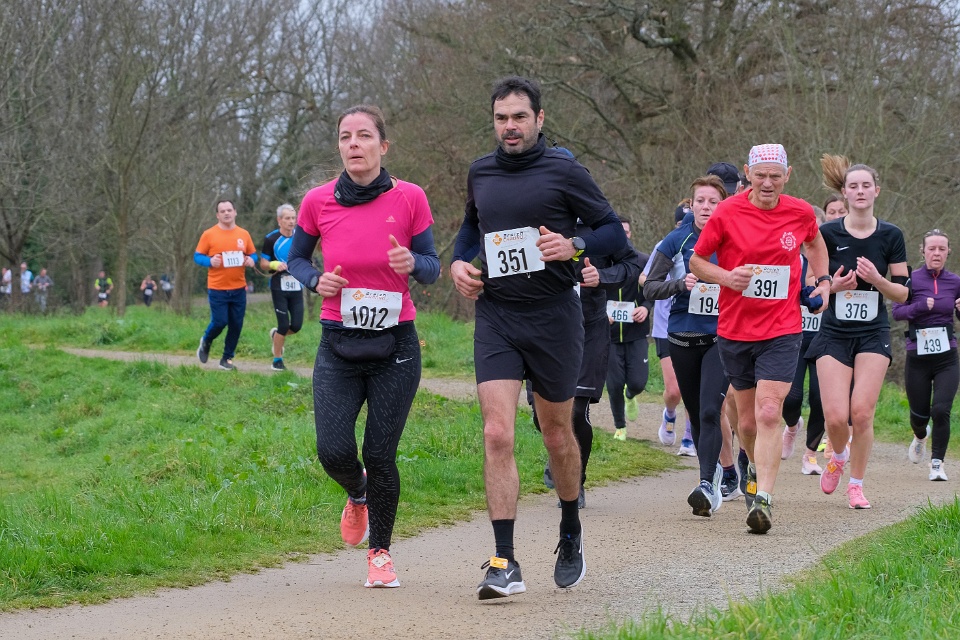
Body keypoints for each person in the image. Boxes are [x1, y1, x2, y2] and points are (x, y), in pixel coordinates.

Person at [450, 76, 627, 599]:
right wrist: (459, 262)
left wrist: (574, 243)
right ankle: (503, 561)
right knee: (496, 434)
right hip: (498, 315)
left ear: (539, 119)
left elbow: (612, 232)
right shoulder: (480, 172)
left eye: (519, 117)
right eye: (501, 118)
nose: (510, 127)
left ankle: (570, 526)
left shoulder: (565, 171)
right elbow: (471, 228)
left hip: (554, 318)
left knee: (556, 434)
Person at [286, 104, 440, 589]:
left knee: (380, 453)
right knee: (333, 451)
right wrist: (316, 280)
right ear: (339, 147)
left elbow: (433, 266)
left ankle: (380, 553)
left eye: (364, 135)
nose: (354, 143)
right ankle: (357, 494)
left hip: (396, 345)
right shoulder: (317, 201)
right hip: (338, 342)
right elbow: (296, 259)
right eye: (345, 136)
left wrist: (412, 263)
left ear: (383, 146)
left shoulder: (410, 197)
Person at [689, 143, 831, 534]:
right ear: (748, 174)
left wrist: (823, 281)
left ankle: (764, 498)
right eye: (761, 175)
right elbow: (697, 260)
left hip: (782, 329)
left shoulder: (800, 212)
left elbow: (815, 243)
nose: (767, 183)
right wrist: (725, 277)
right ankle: (752, 468)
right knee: (748, 423)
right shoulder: (727, 212)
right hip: (735, 330)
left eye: (775, 176)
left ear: (787, 176)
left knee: (770, 412)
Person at [809, 154, 909, 509]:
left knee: (862, 413)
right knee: (836, 416)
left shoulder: (891, 235)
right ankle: (838, 456)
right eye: (854, 186)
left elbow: (902, 293)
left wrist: (877, 280)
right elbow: (809, 285)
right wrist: (832, 287)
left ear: (876, 191)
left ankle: (856, 484)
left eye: (867, 185)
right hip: (834, 332)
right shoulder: (827, 234)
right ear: (845, 193)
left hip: (872, 333)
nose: (861, 190)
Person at [644, 175, 730, 517]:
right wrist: (680, 284)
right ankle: (713, 472)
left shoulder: (734, 237)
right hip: (682, 336)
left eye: (713, 202)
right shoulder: (676, 239)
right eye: (700, 201)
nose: (706, 207)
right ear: (691, 205)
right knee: (695, 413)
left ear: (723, 205)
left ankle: (707, 484)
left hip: (721, 336)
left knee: (710, 410)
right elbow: (649, 287)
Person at [892, 229, 959, 481]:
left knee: (941, 410)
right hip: (917, 356)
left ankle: (937, 463)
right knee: (919, 416)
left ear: (948, 251)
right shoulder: (910, 279)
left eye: (942, 249)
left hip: (947, 357)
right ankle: (920, 435)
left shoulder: (955, 281)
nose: (937, 253)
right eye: (932, 248)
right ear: (923, 251)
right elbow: (897, 312)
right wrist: (920, 306)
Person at [640, 203, 689, 452]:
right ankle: (669, 413)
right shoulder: (666, 245)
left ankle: (690, 436)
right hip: (664, 325)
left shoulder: (706, 244)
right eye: (680, 224)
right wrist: (668, 283)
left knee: (693, 388)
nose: (684, 228)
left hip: (694, 322)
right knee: (674, 390)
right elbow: (644, 278)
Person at [194, 199, 258, 370]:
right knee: (220, 321)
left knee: (236, 324)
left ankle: (227, 358)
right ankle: (206, 340)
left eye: (229, 210)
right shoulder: (209, 234)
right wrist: (209, 261)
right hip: (217, 288)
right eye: (222, 211)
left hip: (239, 288)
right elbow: (197, 256)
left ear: (235, 212)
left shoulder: (243, 234)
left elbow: (253, 254)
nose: (226, 213)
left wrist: (251, 260)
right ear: (217, 215)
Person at [606, 217, 651, 441]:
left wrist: (646, 307)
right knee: (614, 384)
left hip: (637, 331)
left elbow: (653, 289)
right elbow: (592, 292)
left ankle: (631, 395)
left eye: (626, 232)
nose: (623, 236)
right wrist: (601, 314)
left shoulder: (643, 261)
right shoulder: (602, 262)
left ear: (630, 234)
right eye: (618, 232)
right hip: (610, 334)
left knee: (638, 382)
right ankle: (620, 427)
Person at [260, 203, 303, 371]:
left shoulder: (301, 236)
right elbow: (263, 263)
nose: (291, 221)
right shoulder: (271, 239)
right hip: (278, 285)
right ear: (279, 220)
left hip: (296, 285)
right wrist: (274, 264)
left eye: (293, 218)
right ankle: (277, 360)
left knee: (296, 326)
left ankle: (276, 335)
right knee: (284, 325)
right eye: (287, 218)